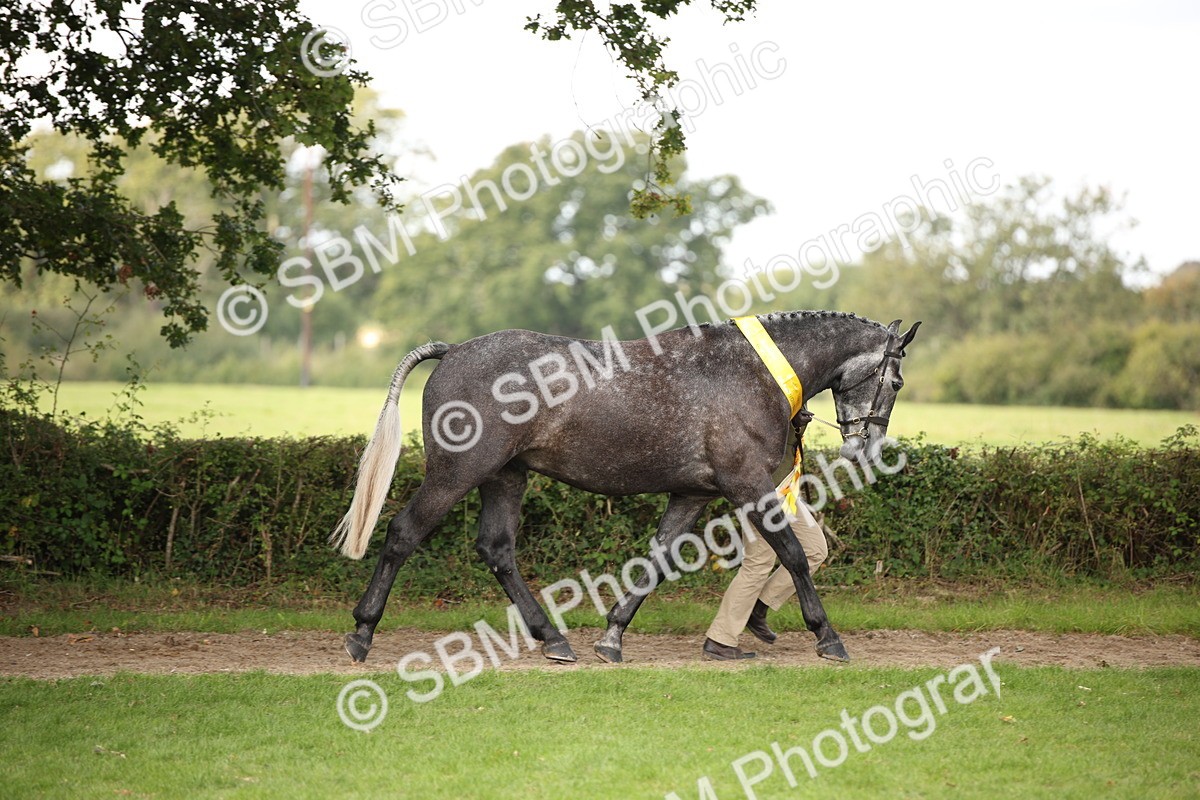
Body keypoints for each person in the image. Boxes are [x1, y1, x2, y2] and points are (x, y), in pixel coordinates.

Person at [702, 412, 830, 661]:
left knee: (815, 549)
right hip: (759, 490)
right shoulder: (770, 387)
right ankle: (720, 640)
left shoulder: (795, 392)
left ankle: (758, 609)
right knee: (758, 562)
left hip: (785, 489)